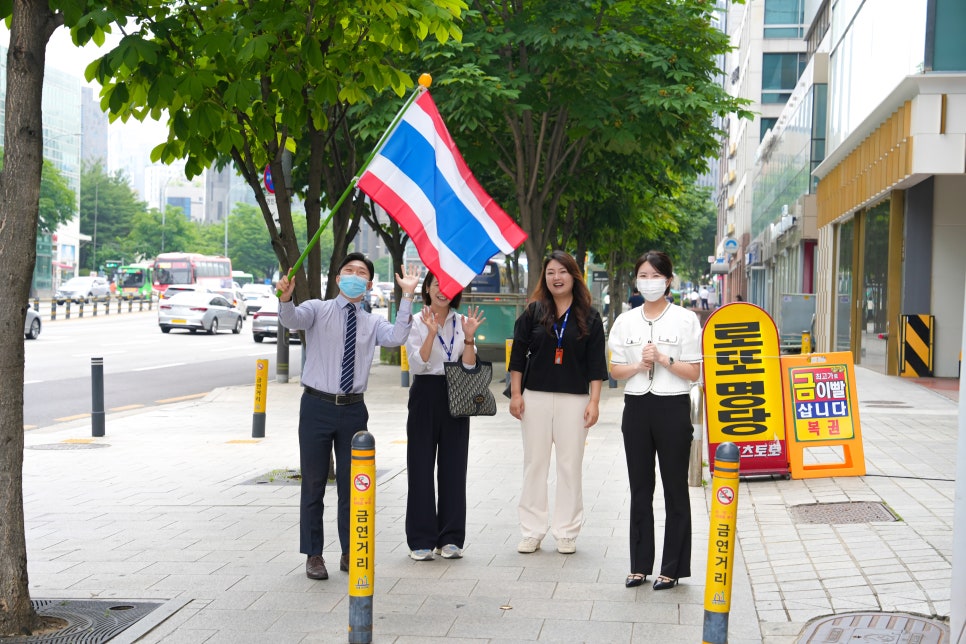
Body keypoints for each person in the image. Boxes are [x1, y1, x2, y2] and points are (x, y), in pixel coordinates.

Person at [277, 253, 421, 581]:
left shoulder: (371, 322)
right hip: (316, 406)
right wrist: (285, 298)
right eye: (349, 271)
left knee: (354, 485)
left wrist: (408, 295)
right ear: (339, 278)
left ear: (369, 285)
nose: (354, 276)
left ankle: (349, 550)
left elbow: (397, 337)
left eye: (361, 273)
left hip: (354, 409)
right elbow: (291, 319)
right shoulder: (317, 308)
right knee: (313, 483)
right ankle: (314, 554)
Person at [607, 250, 702, 591]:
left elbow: (693, 372)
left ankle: (672, 568)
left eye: (655, 276)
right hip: (636, 409)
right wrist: (639, 366)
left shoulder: (686, 320)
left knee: (675, 489)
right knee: (639, 489)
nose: (649, 282)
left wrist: (663, 358)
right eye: (643, 276)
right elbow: (615, 370)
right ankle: (639, 566)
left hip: (672, 407)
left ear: (668, 280)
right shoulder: (625, 321)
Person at [507, 250, 608, 555]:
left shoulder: (589, 315)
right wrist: (515, 394)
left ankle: (566, 531)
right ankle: (532, 530)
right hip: (534, 397)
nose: (556, 278)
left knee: (569, 465)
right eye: (550, 272)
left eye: (562, 271)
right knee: (534, 464)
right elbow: (517, 357)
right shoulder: (533, 312)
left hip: (575, 400)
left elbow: (595, 364)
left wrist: (594, 402)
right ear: (544, 278)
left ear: (574, 276)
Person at [404, 272, 485, 561]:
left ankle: (450, 538)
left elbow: (469, 365)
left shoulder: (463, 322)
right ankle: (421, 539)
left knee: (454, 467)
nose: (442, 290)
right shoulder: (415, 321)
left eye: (448, 285)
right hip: (426, 393)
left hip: (457, 391)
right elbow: (419, 363)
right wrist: (430, 333)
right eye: (436, 284)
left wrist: (470, 338)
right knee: (421, 466)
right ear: (427, 288)